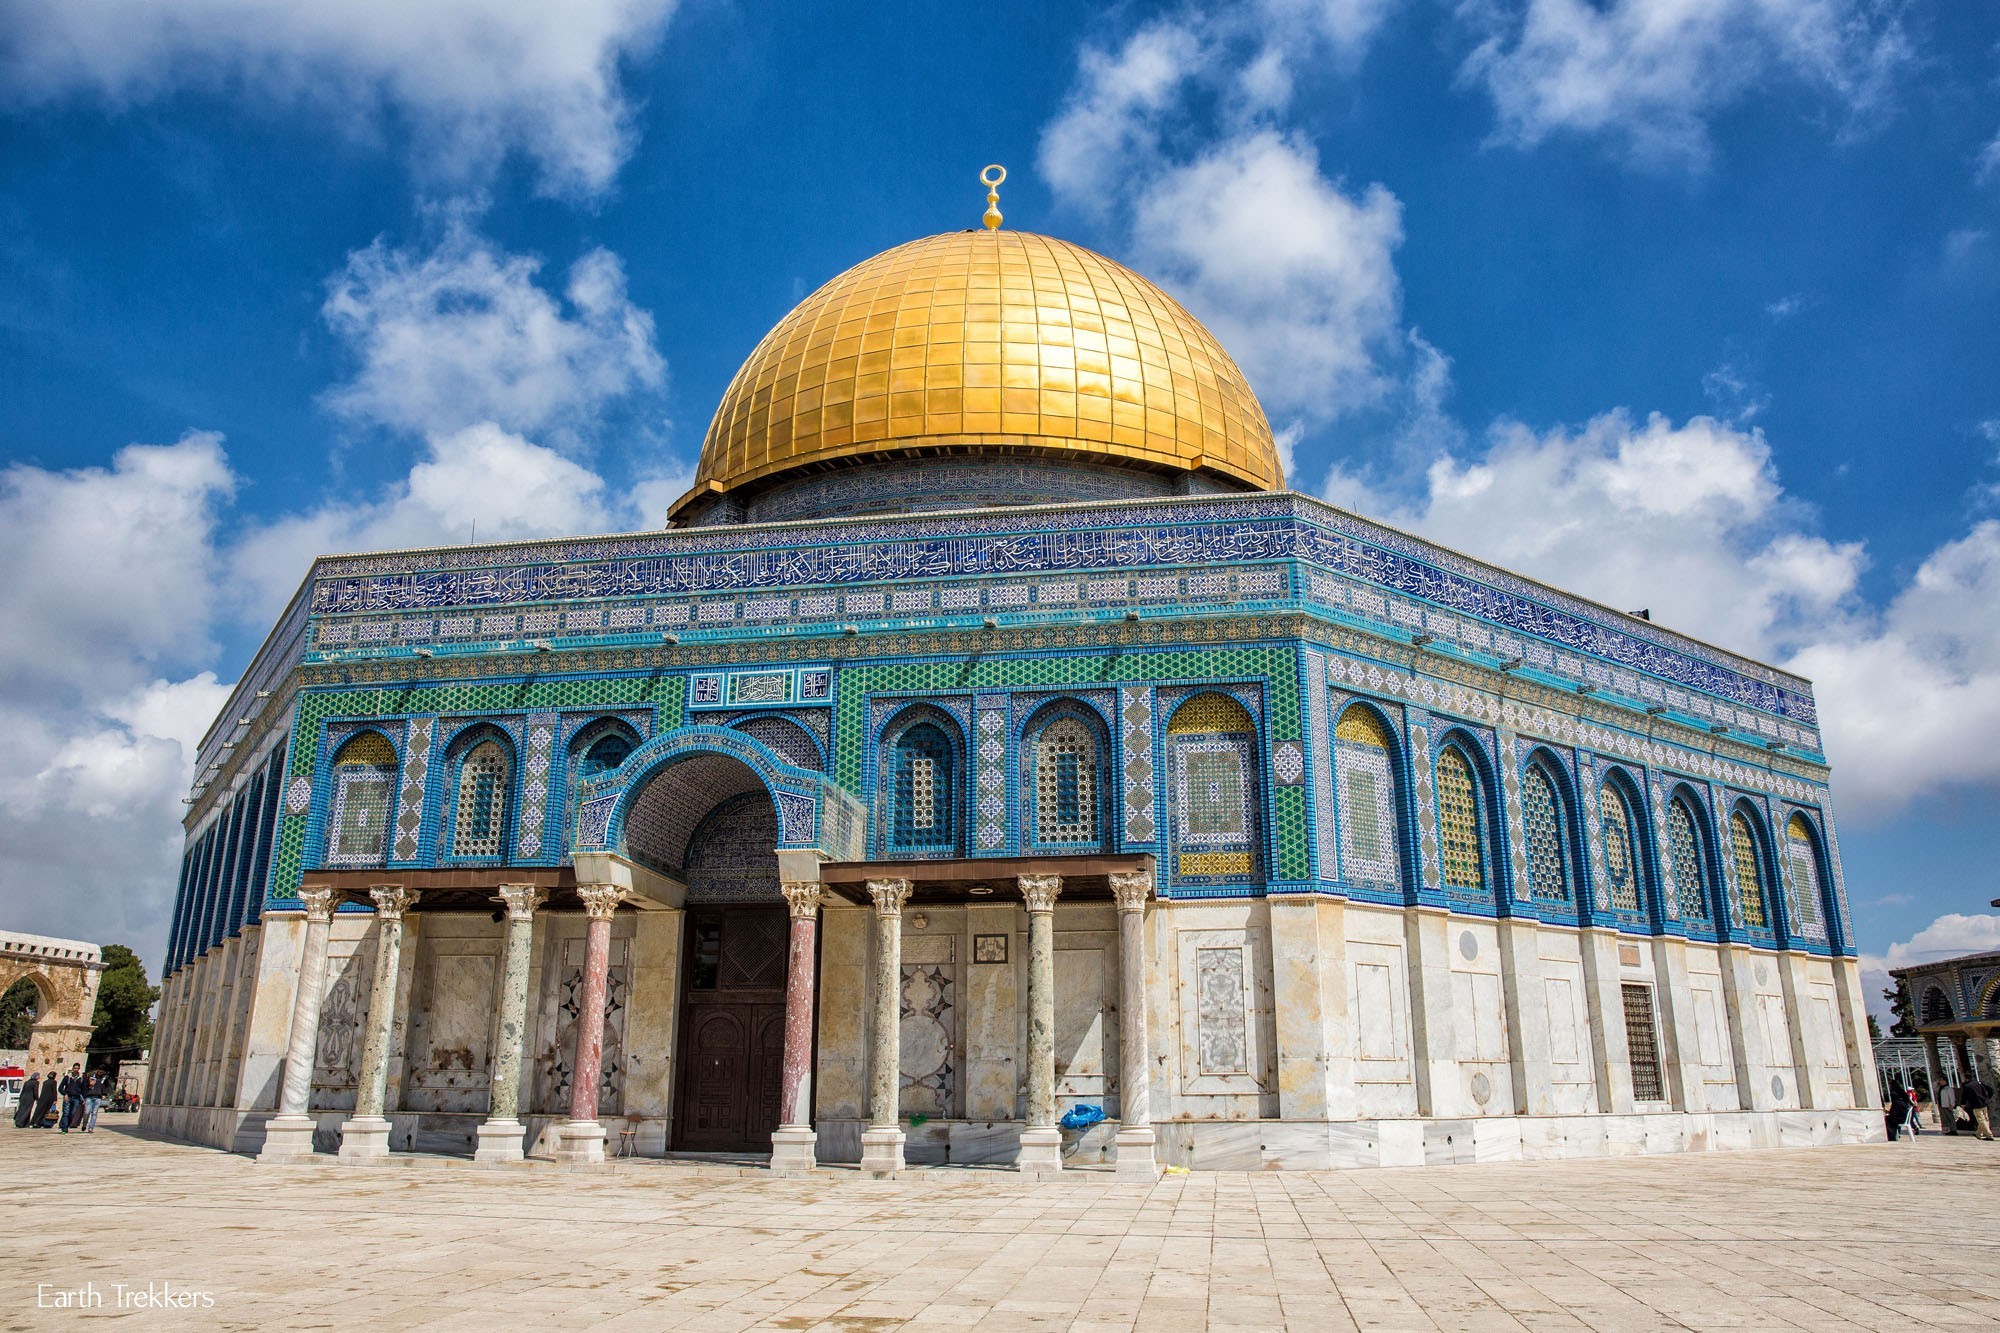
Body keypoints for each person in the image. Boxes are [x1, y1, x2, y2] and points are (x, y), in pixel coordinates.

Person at [1960, 1076, 1994, 1141]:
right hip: (1984, 1103)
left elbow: (1964, 1096)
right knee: (1984, 1119)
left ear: (1966, 1079)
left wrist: (1963, 1104)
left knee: (1981, 1120)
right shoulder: (1979, 1083)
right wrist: (1987, 1098)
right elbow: (1990, 1090)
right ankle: (1978, 1134)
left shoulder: (1966, 1086)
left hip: (1976, 1105)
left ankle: (1989, 1135)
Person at [57, 1064, 85, 1133]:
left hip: (76, 1097)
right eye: (75, 1068)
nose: (76, 1069)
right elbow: (60, 1088)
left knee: (73, 1113)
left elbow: (83, 1089)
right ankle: (64, 1128)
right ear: (72, 1068)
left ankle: (67, 1124)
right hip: (68, 1096)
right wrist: (65, 1094)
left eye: (77, 1068)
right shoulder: (67, 1077)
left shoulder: (81, 1078)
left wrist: (83, 1098)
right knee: (66, 1112)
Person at [81, 1068, 106, 1133]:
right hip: (89, 1097)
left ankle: (91, 1128)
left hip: (98, 1097)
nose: (100, 1072)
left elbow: (105, 1087)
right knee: (86, 1112)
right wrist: (89, 1085)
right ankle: (84, 1124)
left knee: (94, 1113)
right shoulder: (91, 1077)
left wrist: (104, 1094)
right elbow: (85, 1086)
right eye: (99, 1071)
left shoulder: (103, 1080)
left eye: (101, 1071)